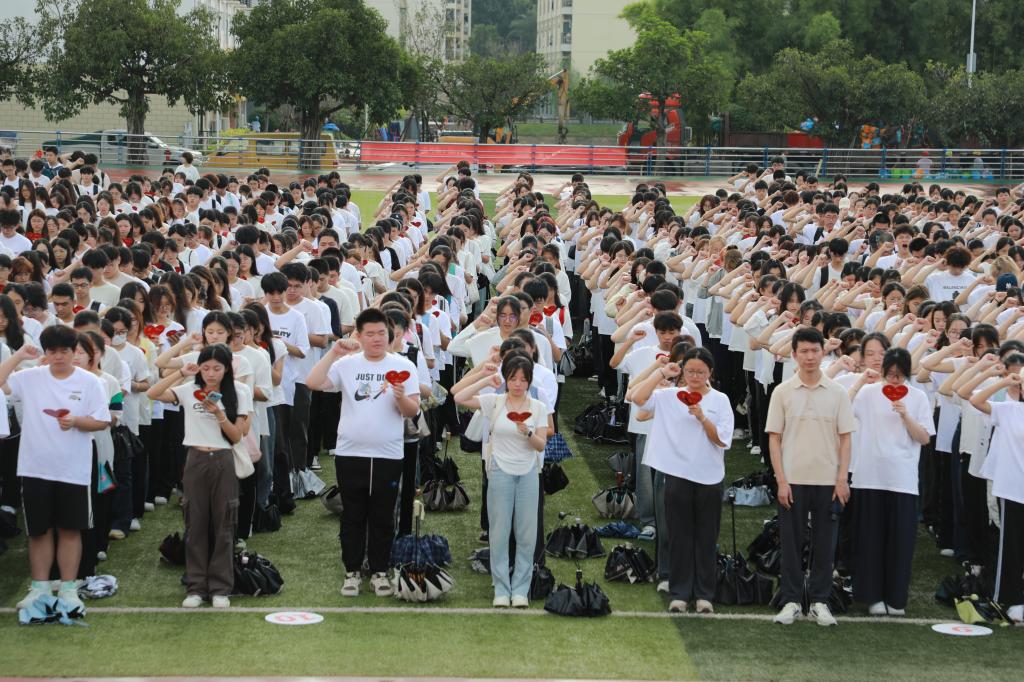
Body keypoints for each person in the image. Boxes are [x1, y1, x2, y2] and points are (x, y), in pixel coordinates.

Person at [305, 307, 419, 597]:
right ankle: (352, 572)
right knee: (352, 515)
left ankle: (380, 572)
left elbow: (412, 411)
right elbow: (313, 383)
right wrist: (334, 352)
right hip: (350, 452)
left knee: (383, 516)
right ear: (359, 336)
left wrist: (400, 397)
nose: (377, 338)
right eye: (370, 333)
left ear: (390, 334)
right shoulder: (347, 364)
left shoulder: (404, 365)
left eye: (381, 332)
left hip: (388, 453)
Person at [3, 326, 110, 611]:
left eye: (65, 351)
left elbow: (101, 421)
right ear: (45, 352)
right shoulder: (30, 377)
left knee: (70, 530)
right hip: (35, 468)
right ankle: (39, 587)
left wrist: (76, 421)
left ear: (74, 351)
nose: (59, 356)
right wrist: (19, 356)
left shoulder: (90, 382)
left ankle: (68, 587)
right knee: (38, 531)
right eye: (52, 351)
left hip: (73, 468)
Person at [147, 343, 252, 608]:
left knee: (223, 523)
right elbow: (153, 393)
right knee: (195, 523)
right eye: (206, 368)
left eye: (217, 368)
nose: (211, 373)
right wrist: (181, 372)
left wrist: (219, 414)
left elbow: (237, 436)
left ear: (227, 369)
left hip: (223, 459)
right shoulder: (188, 389)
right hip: (195, 458)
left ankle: (220, 588)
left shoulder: (240, 391)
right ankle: (195, 587)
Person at [632, 346, 733, 614]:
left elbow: (722, 439)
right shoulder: (669, 396)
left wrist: (702, 418)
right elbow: (638, 398)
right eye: (690, 371)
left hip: (709, 476)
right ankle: (680, 592)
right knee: (678, 535)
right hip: (677, 475)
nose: (695, 377)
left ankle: (704, 594)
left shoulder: (720, 400)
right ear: (683, 371)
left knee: (706, 536)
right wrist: (661, 373)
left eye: (700, 372)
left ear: (710, 372)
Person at [766, 327, 856, 626]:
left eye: (815, 350)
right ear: (794, 355)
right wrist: (781, 480)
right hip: (792, 479)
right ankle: (791, 600)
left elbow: (845, 438)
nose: (809, 356)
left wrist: (842, 479)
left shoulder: (837, 392)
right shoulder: (782, 392)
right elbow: (774, 438)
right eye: (803, 351)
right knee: (790, 544)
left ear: (823, 352)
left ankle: (820, 601)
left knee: (825, 544)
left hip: (828, 480)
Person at [454, 354, 548, 607]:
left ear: (529, 381)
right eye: (513, 378)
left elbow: (541, 445)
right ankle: (501, 588)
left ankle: (521, 589)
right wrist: (486, 379)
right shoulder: (494, 402)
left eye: (523, 380)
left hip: (529, 472)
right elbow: (459, 397)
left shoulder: (538, 407)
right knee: (499, 531)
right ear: (506, 378)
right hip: (499, 470)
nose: (518, 384)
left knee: (526, 533)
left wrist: (527, 433)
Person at [850, 347, 933, 615]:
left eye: (900, 375)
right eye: (890, 374)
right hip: (869, 476)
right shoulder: (868, 393)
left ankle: (896, 598)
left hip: (902, 478)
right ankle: (872, 597)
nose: (894, 380)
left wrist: (905, 415)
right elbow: (842, 407)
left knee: (901, 541)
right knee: (871, 539)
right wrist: (861, 380)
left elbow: (924, 437)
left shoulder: (918, 397)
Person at [969, 358, 1024, 624]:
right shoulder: (1009, 409)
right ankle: (1013, 600)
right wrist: (1004, 382)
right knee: (1012, 547)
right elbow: (976, 400)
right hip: (1013, 489)